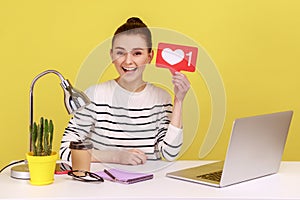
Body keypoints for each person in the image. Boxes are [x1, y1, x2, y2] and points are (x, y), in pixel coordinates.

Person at [60, 17, 190, 165]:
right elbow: (65, 150)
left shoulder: (161, 98)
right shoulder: (95, 95)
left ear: (150, 56)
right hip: (103, 184)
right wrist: (115, 157)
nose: (128, 61)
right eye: (121, 53)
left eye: (137, 53)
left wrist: (178, 100)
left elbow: (170, 153)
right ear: (112, 55)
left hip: (150, 185)